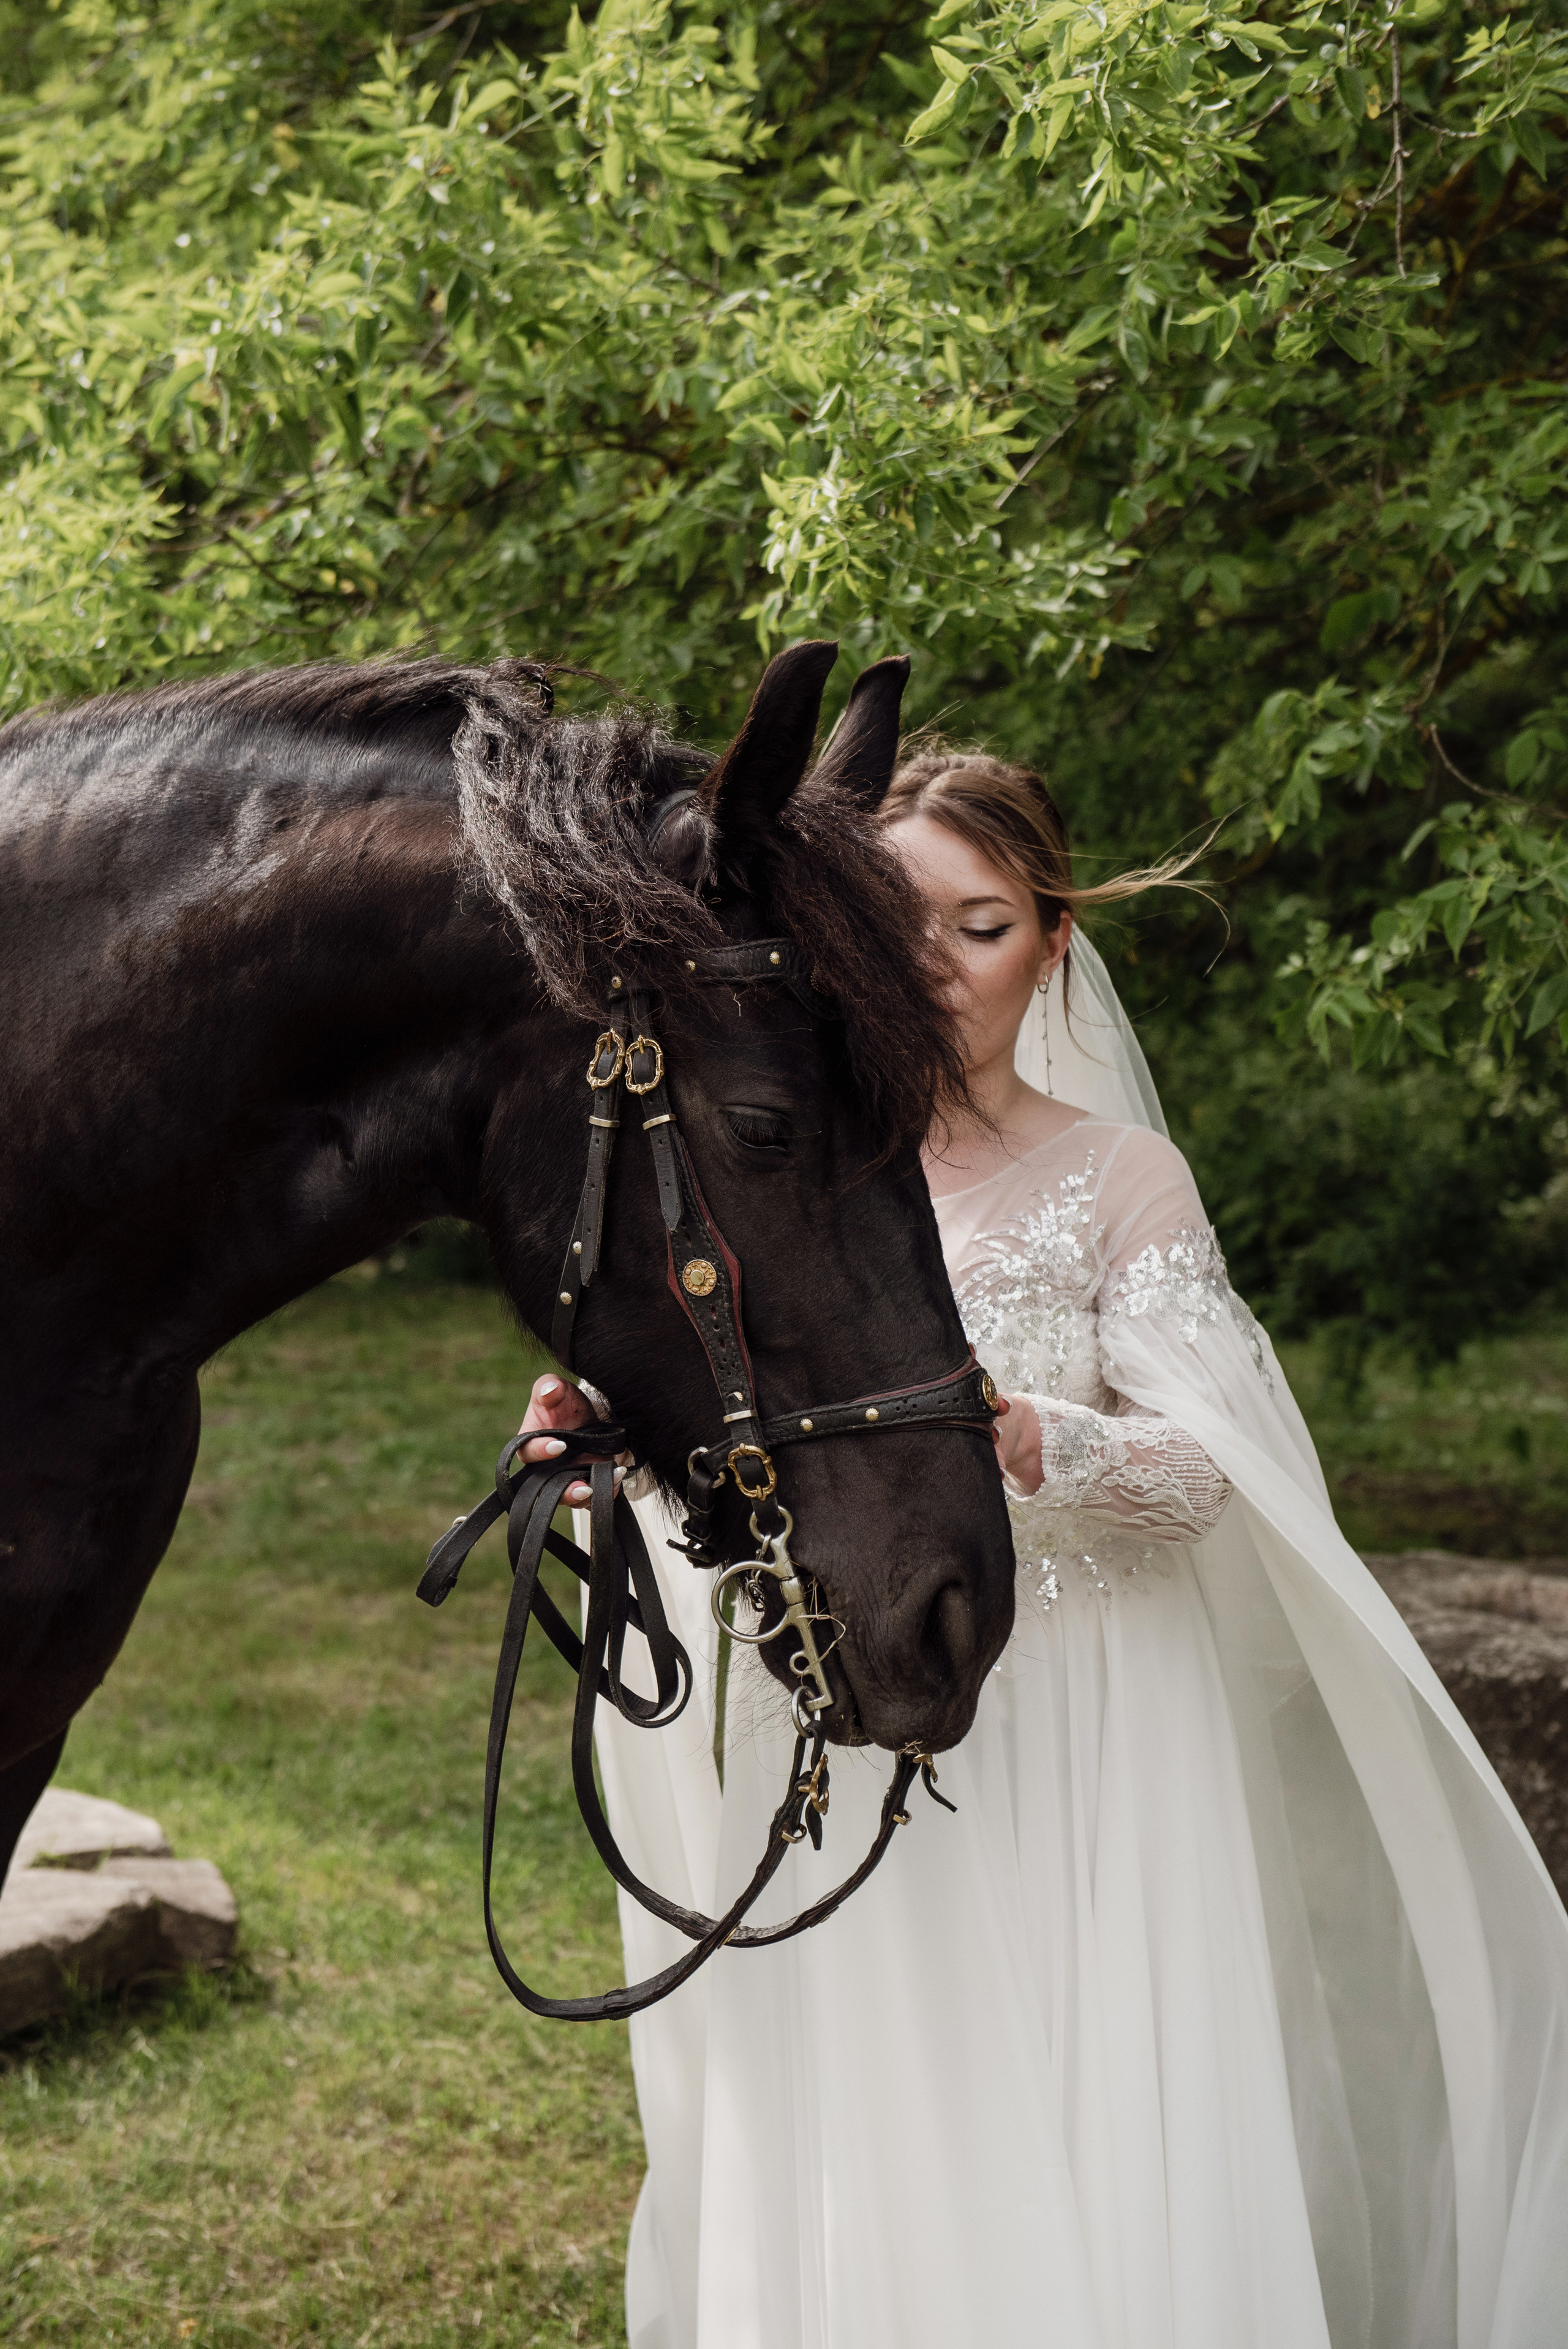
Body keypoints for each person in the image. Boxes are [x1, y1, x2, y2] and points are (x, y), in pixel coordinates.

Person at [518, 750, 1568, 2349]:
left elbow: (1213, 1473)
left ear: (1056, 941)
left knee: (1077, 2112)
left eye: (985, 923)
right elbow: (743, 1450)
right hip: (841, 1702)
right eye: (900, 923)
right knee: (869, 2103)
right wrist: (610, 1457)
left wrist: (1033, 1438)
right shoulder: (790, 1174)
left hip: (1076, 1720)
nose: (937, 961)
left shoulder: (1118, 1179)